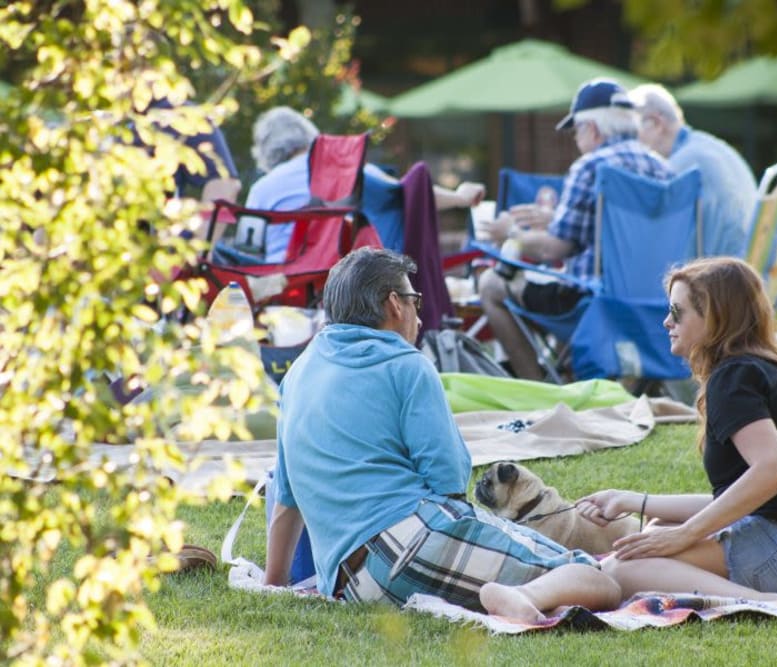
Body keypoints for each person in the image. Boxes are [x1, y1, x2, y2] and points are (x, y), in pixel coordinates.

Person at [264, 247, 621, 621]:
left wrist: (273, 584)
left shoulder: (298, 374)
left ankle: (519, 593)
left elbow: (287, 500)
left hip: (349, 584)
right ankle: (524, 596)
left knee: (548, 560)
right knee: (594, 576)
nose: (419, 315)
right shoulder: (406, 364)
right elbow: (448, 480)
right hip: (410, 544)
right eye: (415, 300)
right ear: (394, 305)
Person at [576, 256, 777, 600]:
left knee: (624, 568)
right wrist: (628, 501)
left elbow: (772, 471)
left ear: (714, 316)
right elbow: (738, 499)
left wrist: (685, 536)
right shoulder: (770, 372)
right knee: (658, 531)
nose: (667, 322)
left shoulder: (733, 377)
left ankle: (772, 604)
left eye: (678, 312)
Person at [477, 78, 675, 380]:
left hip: (594, 303)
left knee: (491, 284)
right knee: (549, 286)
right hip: (654, 301)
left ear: (592, 129)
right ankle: (575, 378)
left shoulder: (591, 166)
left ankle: (538, 387)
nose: (576, 140)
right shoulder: (665, 170)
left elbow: (553, 248)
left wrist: (510, 233)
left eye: (576, 131)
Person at [212, 106, 485, 265]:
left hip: (278, 291)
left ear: (266, 152)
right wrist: (460, 197)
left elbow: (249, 254)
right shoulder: (346, 171)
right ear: (311, 136)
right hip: (339, 285)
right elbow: (408, 193)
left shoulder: (263, 188)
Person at [629, 84, 758, 258]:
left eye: (632, 133)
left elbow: (661, 247)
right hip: (750, 270)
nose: (631, 145)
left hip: (719, 278)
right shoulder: (715, 147)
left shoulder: (679, 168)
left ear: (656, 123)